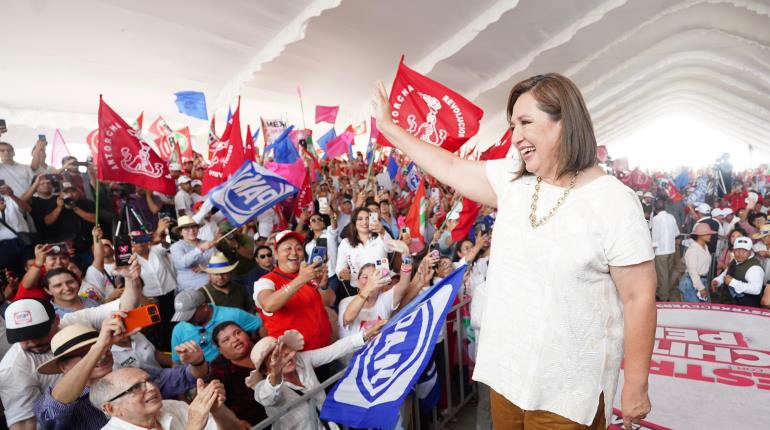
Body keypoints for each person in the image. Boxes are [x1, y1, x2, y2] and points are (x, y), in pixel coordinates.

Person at [373, 73, 656, 429]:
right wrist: (389, 126)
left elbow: (639, 297)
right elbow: (447, 165)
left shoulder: (613, 201)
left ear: (563, 123)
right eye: (512, 125)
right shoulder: (513, 180)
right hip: (507, 377)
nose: (515, 136)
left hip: (568, 394)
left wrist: (636, 384)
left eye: (525, 122)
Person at [0, 258, 143, 430]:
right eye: (21, 336)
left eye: (38, 334)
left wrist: (131, 279)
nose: (32, 342)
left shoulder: (72, 321)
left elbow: (123, 310)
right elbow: (24, 426)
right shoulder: (13, 368)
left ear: (57, 321)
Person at [32, 318, 209, 430]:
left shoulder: (134, 377)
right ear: (64, 367)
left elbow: (186, 377)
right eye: (87, 354)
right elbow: (55, 408)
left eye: (107, 349)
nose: (102, 356)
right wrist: (99, 346)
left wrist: (197, 361)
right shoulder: (54, 401)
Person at [249, 327, 385, 430]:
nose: (284, 356)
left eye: (283, 348)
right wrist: (276, 374)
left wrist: (365, 335)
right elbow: (268, 397)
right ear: (266, 370)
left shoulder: (302, 360)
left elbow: (333, 350)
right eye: (275, 357)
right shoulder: (263, 388)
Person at [253, 230, 333, 352]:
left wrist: (323, 285)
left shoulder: (307, 274)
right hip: (295, 359)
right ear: (275, 253)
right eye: (288, 248)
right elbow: (268, 305)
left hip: (325, 351)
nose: (294, 253)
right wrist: (301, 279)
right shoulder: (266, 281)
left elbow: (328, 302)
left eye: (298, 248)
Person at [90, 367, 241, 430]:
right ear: (111, 408)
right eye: (135, 388)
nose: (151, 387)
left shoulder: (172, 406)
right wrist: (193, 425)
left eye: (149, 381)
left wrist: (217, 410)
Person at [170, 289, 262, 363]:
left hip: (236, 369)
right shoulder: (178, 330)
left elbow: (261, 326)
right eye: (183, 316)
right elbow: (177, 362)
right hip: (201, 376)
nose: (186, 320)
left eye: (190, 315)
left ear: (204, 307)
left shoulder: (233, 315)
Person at [208, 321, 268, 426]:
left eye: (237, 333)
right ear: (220, 350)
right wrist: (236, 421)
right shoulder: (219, 372)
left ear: (246, 334)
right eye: (226, 340)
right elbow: (217, 404)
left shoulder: (265, 346)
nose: (235, 339)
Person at [335, 207, 389, 292]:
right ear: (354, 222)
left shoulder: (380, 237)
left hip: (381, 287)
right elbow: (340, 267)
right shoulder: (345, 243)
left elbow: (390, 249)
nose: (365, 222)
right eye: (360, 219)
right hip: (358, 290)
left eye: (368, 218)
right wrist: (342, 273)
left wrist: (382, 232)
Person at [712, 237, 766, 307]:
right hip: (730, 304)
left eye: (744, 250)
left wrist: (733, 282)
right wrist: (717, 281)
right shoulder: (735, 260)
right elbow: (726, 273)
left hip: (747, 309)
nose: (740, 253)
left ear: (750, 251)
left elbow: (756, 289)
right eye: (737, 250)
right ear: (733, 250)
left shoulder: (755, 268)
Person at [169, 215, 218, 292]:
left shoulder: (206, 243)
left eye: (194, 227)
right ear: (180, 232)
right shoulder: (176, 247)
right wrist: (200, 249)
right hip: (191, 290)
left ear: (198, 229)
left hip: (213, 286)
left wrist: (206, 268)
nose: (191, 230)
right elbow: (181, 263)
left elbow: (219, 261)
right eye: (186, 228)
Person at [651, 198, 680, 301]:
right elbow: (677, 233)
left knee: (662, 275)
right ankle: (663, 293)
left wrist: (652, 253)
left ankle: (664, 298)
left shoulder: (656, 219)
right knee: (667, 274)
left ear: (654, 209)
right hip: (671, 250)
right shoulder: (671, 217)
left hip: (660, 251)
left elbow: (654, 238)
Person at [679, 223, 715, 302]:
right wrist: (700, 287)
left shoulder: (705, 246)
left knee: (702, 308)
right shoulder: (693, 249)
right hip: (692, 281)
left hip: (700, 280)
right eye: (706, 234)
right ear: (699, 235)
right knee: (694, 310)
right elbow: (692, 271)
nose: (709, 236)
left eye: (709, 234)